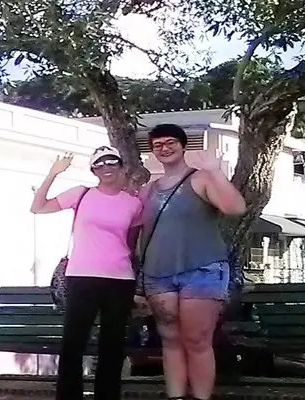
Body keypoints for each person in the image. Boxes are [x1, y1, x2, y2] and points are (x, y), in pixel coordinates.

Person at [138, 124, 246, 400]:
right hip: (158, 274)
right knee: (170, 340)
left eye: (170, 142)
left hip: (202, 270)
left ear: (183, 146)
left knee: (197, 340)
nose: (164, 148)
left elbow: (235, 208)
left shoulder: (201, 179)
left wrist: (215, 171)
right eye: (158, 144)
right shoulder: (147, 190)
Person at [30, 146, 142, 400]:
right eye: (99, 164)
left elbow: (134, 242)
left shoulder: (133, 203)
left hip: (120, 279)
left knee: (112, 346)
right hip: (82, 276)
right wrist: (53, 173)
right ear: (93, 170)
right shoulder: (80, 194)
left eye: (111, 162)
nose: (106, 167)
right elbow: (38, 207)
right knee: (73, 342)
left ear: (121, 166)